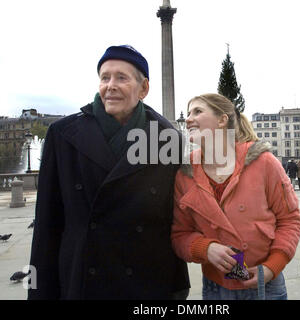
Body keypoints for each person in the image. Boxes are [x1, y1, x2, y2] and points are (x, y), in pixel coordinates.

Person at [28, 45, 190, 300]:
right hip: (82, 280)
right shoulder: (62, 135)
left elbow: (177, 219)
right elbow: (47, 227)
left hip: (147, 282)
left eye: (121, 78)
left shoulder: (167, 139)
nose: (110, 85)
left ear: (143, 88)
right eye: (105, 77)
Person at [171, 93, 300, 300]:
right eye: (188, 113)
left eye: (197, 111)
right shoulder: (185, 173)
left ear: (222, 120)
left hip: (266, 283)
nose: (188, 119)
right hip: (215, 287)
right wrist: (205, 248)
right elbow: (180, 234)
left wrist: (272, 266)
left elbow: (290, 219)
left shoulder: (263, 162)